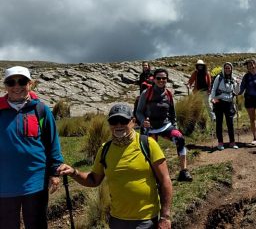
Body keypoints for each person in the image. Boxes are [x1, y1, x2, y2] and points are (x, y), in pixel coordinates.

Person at [57, 103, 173, 229]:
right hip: (117, 220)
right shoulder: (105, 149)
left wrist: (165, 216)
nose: (118, 125)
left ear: (133, 122)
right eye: (114, 121)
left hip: (146, 220)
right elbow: (93, 180)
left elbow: (165, 180)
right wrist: (74, 172)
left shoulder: (148, 144)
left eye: (123, 121)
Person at [0, 66, 64, 229]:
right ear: (5, 86)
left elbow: (52, 143)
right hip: (4, 184)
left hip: (36, 181)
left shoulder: (41, 110)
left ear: (30, 84)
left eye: (22, 81)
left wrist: (55, 172)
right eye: (11, 82)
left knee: (36, 224)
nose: (16, 86)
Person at [136, 68, 193, 182]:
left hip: (165, 125)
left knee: (180, 139)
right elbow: (138, 112)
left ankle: (184, 171)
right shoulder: (146, 93)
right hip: (150, 128)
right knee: (150, 150)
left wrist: (175, 126)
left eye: (164, 78)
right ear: (154, 79)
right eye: (159, 78)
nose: (161, 80)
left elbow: (172, 112)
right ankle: (152, 175)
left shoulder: (168, 94)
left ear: (167, 79)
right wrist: (143, 122)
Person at [209, 62, 240, 150]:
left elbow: (237, 92)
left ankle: (232, 142)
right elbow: (214, 89)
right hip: (219, 102)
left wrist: (238, 84)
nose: (227, 70)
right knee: (219, 123)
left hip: (229, 103)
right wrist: (212, 99)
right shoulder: (219, 78)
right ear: (223, 69)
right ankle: (220, 142)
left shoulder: (233, 79)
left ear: (231, 69)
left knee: (230, 123)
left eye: (229, 68)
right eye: (226, 68)